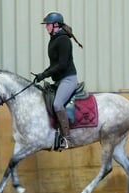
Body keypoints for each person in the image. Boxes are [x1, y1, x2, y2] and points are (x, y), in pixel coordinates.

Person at [35, 11, 83, 149]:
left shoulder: (63, 40)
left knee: (57, 104)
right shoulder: (54, 39)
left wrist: (44, 75)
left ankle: (67, 138)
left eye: (48, 24)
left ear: (56, 25)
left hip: (68, 79)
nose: (46, 27)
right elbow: (54, 64)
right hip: (59, 80)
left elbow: (62, 64)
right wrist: (42, 74)